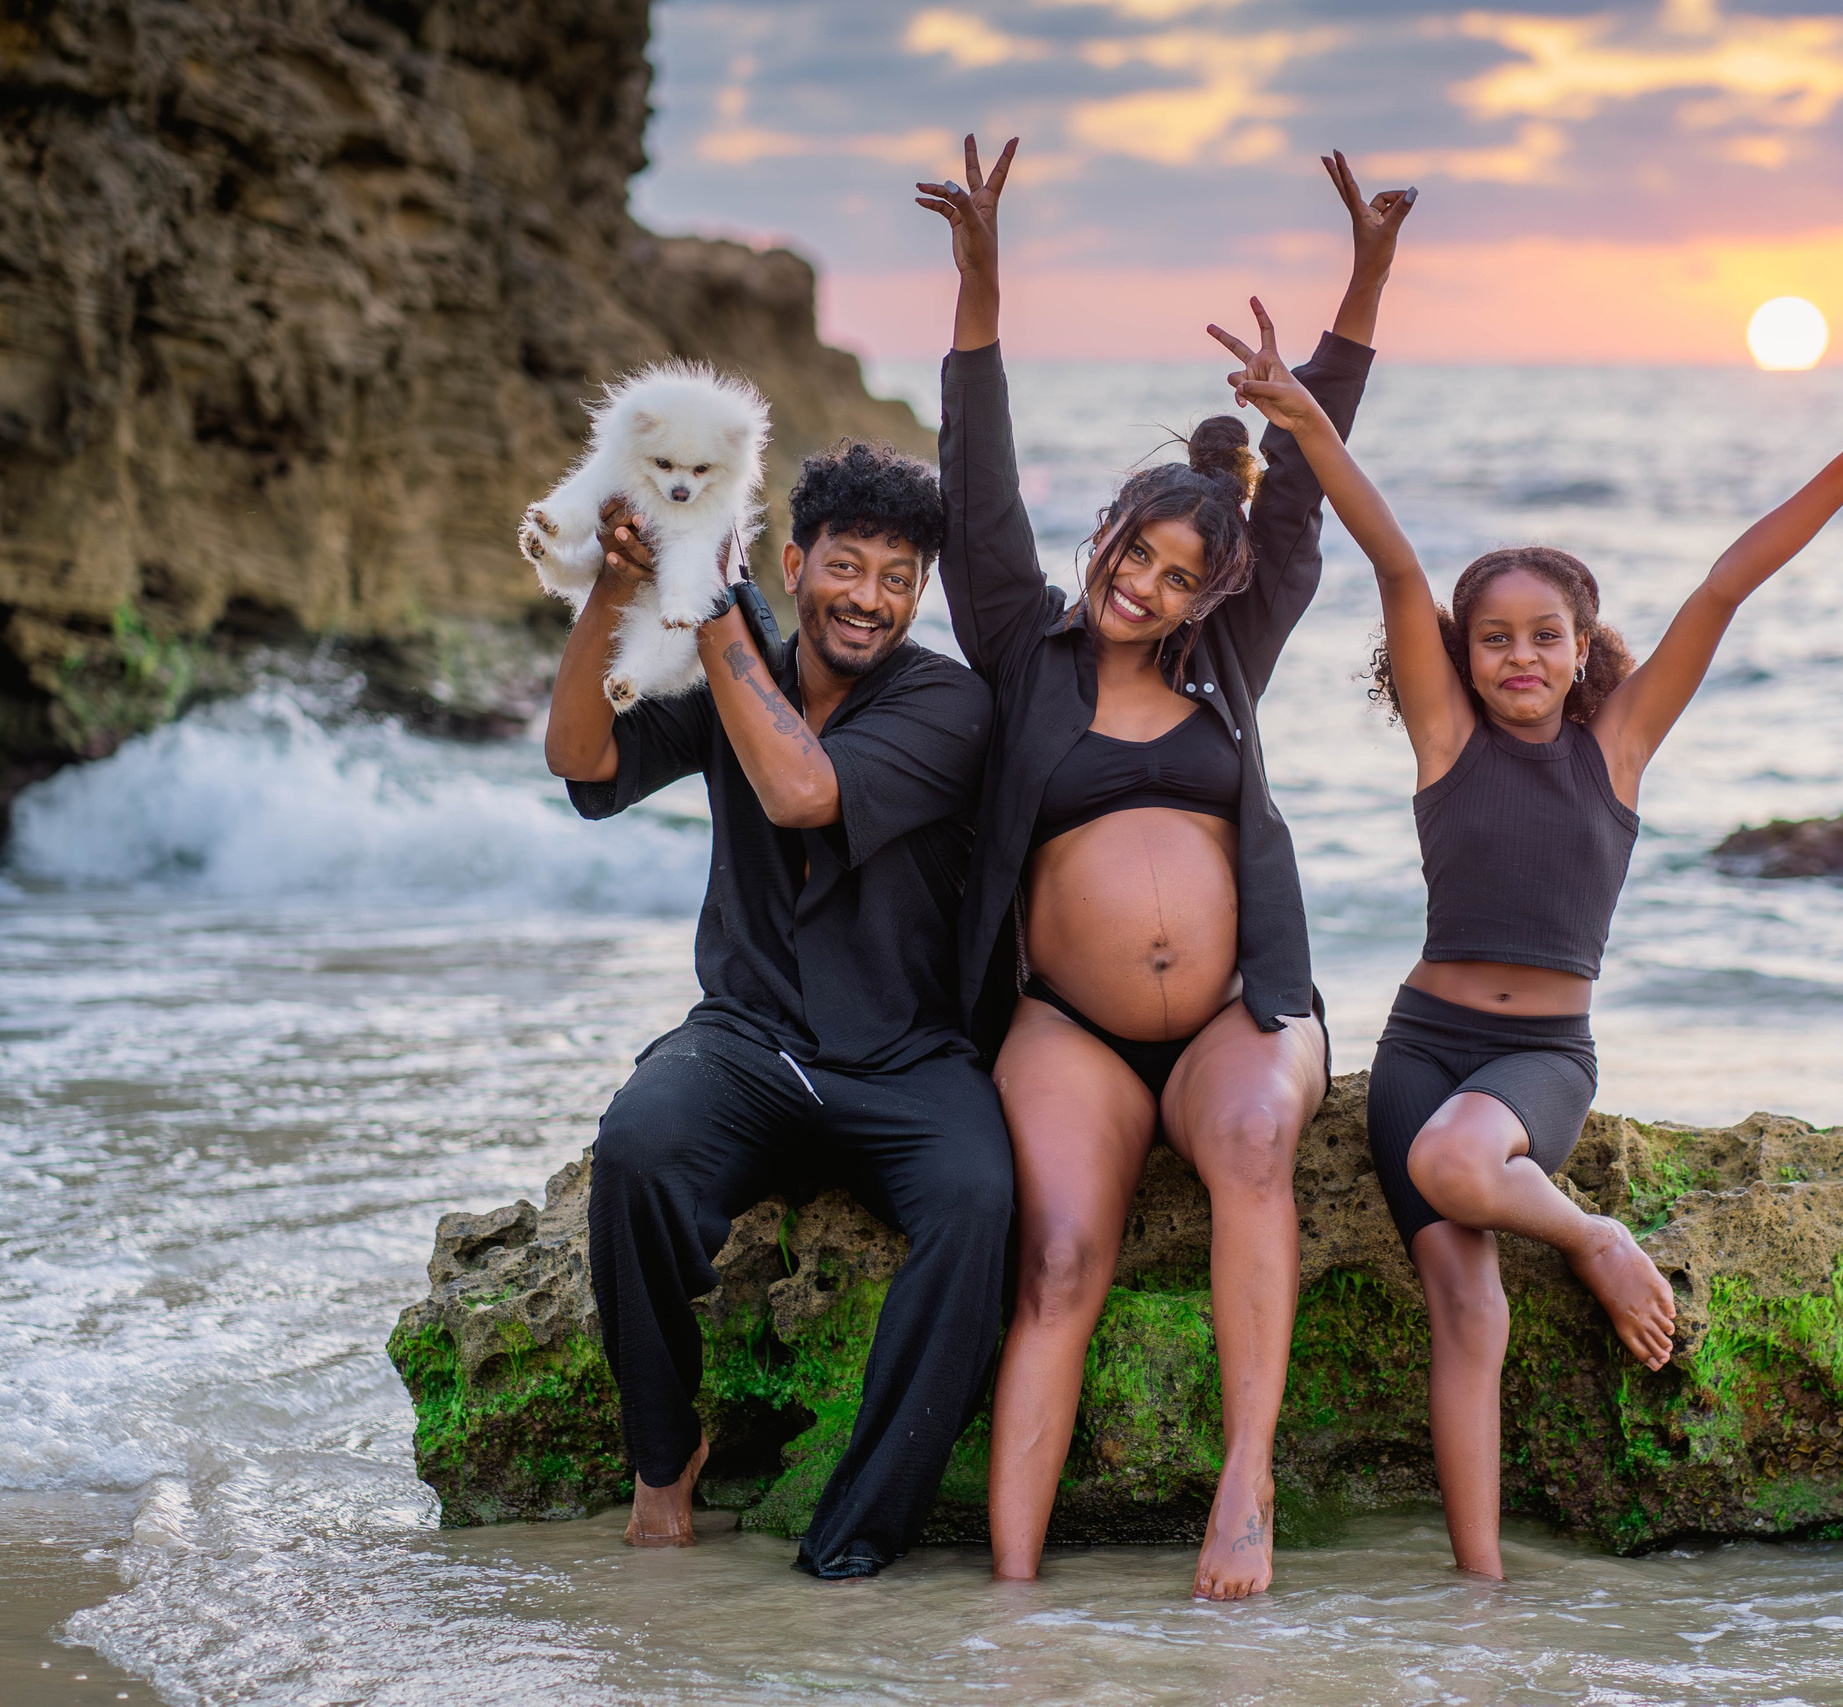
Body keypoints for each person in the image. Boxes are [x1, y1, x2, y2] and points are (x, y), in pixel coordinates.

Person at [1228, 339, 1843, 1578]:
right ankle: (1484, 1588)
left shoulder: (1613, 749)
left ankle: (1594, 1236)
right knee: (1465, 1310)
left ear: (1579, 646)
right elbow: (1395, 560)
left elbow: (1723, 587)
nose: (1518, 657)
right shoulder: (1446, 742)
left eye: (1543, 636)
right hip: (1422, 1043)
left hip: (1541, 1058)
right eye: (1494, 638)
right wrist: (1307, 426)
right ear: (1460, 656)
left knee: (1461, 1159)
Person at [912, 136, 1413, 1599]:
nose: (1145, 584)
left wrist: (1363, 285)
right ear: (1110, 537)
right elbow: (977, 478)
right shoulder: (1025, 645)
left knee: (1258, 1143)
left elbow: (1309, 505)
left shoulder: (1229, 664)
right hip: (1065, 1028)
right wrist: (981, 280)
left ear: (1211, 589)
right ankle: (1011, 1593)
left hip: (1234, 1012)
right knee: (1062, 1254)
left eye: (1180, 573)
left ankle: (1243, 1484)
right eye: (1135, 553)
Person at [545, 439, 1014, 1581]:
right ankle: (666, 1457)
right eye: (848, 568)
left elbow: (801, 788)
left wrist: (706, 605)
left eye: (898, 578)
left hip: (908, 1055)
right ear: (796, 563)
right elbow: (579, 758)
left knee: (979, 1203)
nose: (870, 599)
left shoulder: (950, 703)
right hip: (750, 1039)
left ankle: (855, 1535)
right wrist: (621, 587)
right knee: (637, 1149)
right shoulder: (733, 665)